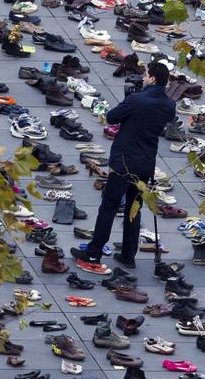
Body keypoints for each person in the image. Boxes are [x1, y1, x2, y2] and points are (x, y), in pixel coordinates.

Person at [70, 61, 176, 270]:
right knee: (133, 208)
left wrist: (130, 100)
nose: (143, 77)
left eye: (146, 74)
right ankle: (128, 255)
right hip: (146, 163)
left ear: (153, 78)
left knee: (109, 206)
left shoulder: (137, 99)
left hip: (124, 162)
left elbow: (111, 117)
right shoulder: (169, 105)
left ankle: (93, 253)